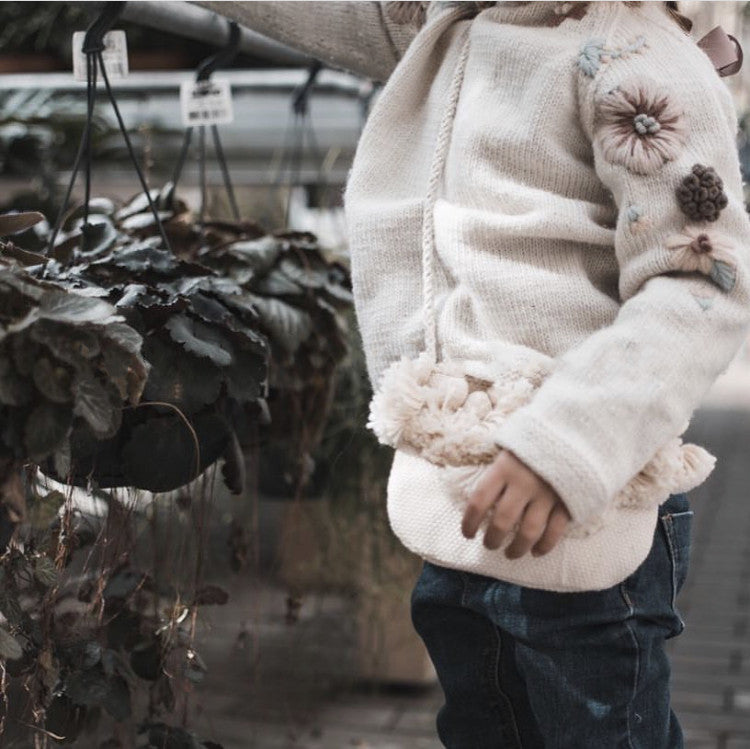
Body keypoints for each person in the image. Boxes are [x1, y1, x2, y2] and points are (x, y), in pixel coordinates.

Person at [194, 1, 750, 745]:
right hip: (456, 510)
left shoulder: (636, 59)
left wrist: (570, 445)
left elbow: (703, 283)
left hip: (582, 507)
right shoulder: (453, 25)